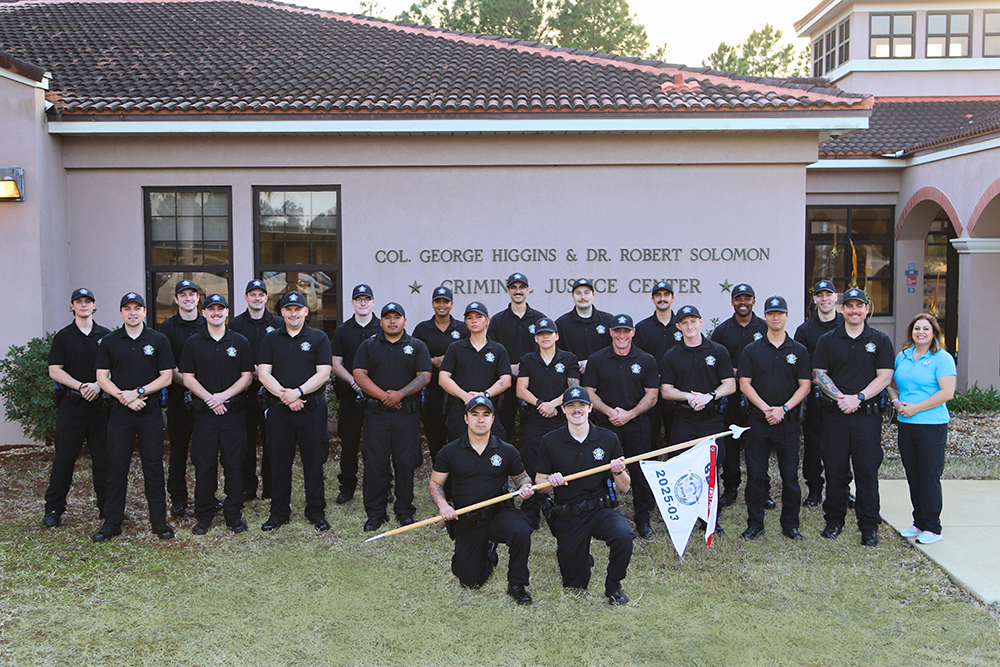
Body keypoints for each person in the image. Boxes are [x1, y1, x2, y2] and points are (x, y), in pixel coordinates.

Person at [430, 397, 535, 605]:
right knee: (470, 581)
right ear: (466, 418)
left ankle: (517, 584)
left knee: (521, 530)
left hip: (499, 514)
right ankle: (487, 551)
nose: (480, 420)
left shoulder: (506, 450)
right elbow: (435, 484)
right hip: (469, 519)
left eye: (486, 415)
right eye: (475, 414)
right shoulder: (450, 451)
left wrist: (524, 486)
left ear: (493, 419)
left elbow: (522, 477)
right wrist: (443, 505)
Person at [812, 287, 894, 547]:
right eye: (850, 306)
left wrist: (858, 397)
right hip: (835, 416)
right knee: (835, 470)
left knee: (867, 471)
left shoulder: (879, 340)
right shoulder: (828, 339)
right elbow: (819, 374)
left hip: (866, 417)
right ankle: (834, 521)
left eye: (859, 306)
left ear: (867, 309)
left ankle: (869, 526)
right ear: (842, 309)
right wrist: (841, 398)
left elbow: (885, 376)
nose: (854, 310)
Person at [536, 387, 633, 605]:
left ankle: (614, 585)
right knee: (574, 586)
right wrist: (550, 482)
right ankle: (581, 559)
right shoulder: (550, 441)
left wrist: (618, 471)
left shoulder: (608, 438)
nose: (576, 410)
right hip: (570, 515)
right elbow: (539, 486)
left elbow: (625, 487)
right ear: (563, 410)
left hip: (601, 510)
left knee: (624, 536)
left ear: (590, 408)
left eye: (581, 405)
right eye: (571, 406)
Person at [93, 292, 175, 542]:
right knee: (116, 468)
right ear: (121, 313)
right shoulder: (109, 341)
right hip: (119, 412)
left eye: (137, 308)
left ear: (144, 312)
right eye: (127, 308)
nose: (132, 312)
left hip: (149, 412)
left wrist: (138, 392)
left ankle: (159, 523)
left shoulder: (158, 339)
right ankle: (112, 522)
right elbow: (101, 377)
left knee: (153, 468)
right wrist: (123, 397)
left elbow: (166, 377)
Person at [736, 296, 811, 541]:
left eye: (780, 313)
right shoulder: (752, 349)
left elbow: (805, 386)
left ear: (787, 316)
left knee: (790, 477)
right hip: (758, 422)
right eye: (771, 313)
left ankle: (790, 525)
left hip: (787, 424)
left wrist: (783, 409)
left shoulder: (798, 350)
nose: (776, 317)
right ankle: (755, 524)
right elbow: (744, 384)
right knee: (755, 476)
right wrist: (767, 408)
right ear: (765, 317)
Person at [257, 290, 334, 532]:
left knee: (313, 463)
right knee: (279, 463)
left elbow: (323, 373)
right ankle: (279, 514)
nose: (293, 313)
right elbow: (263, 373)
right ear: (282, 313)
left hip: (311, 411)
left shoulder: (319, 338)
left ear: (305, 312)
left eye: (297, 309)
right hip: (280, 411)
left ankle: (316, 513)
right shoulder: (271, 338)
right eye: (288, 309)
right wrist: (285, 395)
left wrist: (298, 392)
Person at [353, 302, 432, 532]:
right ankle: (375, 514)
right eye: (388, 317)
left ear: (405, 321)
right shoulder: (368, 345)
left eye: (397, 317)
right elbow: (359, 374)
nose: (392, 321)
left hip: (406, 416)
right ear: (381, 321)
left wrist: (400, 394)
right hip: (376, 416)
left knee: (405, 464)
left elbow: (425, 375)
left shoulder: (416, 345)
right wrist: (383, 396)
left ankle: (404, 510)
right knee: (375, 465)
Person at [179, 294, 254, 534]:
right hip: (204, 416)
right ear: (204, 313)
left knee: (234, 464)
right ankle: (204, 515)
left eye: (220, 309)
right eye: (211, 309)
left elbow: (247, 376)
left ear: (227, 312)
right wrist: (210, 399)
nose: (216, 313)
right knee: (204, 466)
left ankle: (233, 514)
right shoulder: (193, 342)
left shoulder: (240, 341)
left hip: (233, 414)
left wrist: (222, 397)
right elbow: (187, 377)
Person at [659, 305, 736, 531]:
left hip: (711, 419)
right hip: (683, 419)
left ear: (701, 322)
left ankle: (710, 518)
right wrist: (687, 397)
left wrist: (709, 396)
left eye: (693, 321)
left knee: (710, 468)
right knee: (681, 466)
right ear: (678, 326)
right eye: (685, 322)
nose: (690, 326)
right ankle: (683, 517)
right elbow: (665, 390)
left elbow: (730, 384)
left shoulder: (718, 351)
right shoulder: (672, 355)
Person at [581, 314, 659, 538]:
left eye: (626, 331)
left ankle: (642, 521)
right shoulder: (597, 359)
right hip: (605, 427)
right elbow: (589, 392)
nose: (622, 335)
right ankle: (600, 518)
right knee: (600, 472)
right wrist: (609, 412)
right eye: (618, 331)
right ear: (611, 333)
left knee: (640, 473)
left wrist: (630, 414)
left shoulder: (646, 360)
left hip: (637, 425)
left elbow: (652, 395)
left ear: (633, 333)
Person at [43, 288, 111, 527]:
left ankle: (107, 508)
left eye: (88, 301)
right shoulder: (63, 336)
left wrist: (97, 385)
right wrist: (82, 386)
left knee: (103, 460)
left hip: (100, 406)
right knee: (64, 458)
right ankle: (53, 509)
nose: (83, 305)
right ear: (72, 306)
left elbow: (113, 367)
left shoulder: (106, 335)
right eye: (79, 302)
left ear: (94, 306)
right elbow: (55, 370)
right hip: (72, 405)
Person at [888, 313, 956, 545]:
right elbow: (892, 386)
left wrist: (916, 407)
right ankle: (918, 522)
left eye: (926, 329)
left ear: (934, 332)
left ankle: (933, 527)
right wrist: (897, 402)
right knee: (913, 475)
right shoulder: (903, 356)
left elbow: (947, 393)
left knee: (929, 476)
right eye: (917, 328)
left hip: (932, 425)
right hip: (907, 425)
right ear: (911, 332)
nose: (921, 332)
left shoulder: (942, 358)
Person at [514, 317, 580, 529]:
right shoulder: (527, 360)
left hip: (562, 419)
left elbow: (574, 389)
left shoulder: (569, 358)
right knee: (532, 463)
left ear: (556, 336)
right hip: (535, 418)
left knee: (566, 463)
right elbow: (521, 389)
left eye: (548, 333)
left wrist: (553, 404)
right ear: (536, 338)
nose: (545, 337)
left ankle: (564, 507)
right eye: (541, 334)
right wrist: (541, 404)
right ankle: (531, 512)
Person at [711, 283, 768, 508]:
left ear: (754, 300)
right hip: (732, 397)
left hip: (758, 396)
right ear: (732, 302)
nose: (742, 302)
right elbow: (715, 364)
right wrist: (740, 374)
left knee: (760, 442)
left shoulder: (764, 328)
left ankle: (762, 490)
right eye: (738, 299)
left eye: (747, 298)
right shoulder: (723, 331)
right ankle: (730, 488)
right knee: (731, 445)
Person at [229, 278, 283, 502]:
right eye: (253, 294)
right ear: (246, 298)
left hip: (272, 393)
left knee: (272, 442)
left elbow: (283, 355)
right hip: (245, 393)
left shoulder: (279, 323)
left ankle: (271, 487)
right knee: (246, 443)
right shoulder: (234, 324)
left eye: (261, 294)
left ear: (266, 298)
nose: (257, 298)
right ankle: (248, 488)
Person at [794, 280, 845, 507]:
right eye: (820, 295)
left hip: (845, 397)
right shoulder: (805, 331)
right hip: (816, 398)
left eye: (829, 295)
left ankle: (843, 489)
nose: (824, 299)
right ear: (814, 299)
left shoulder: (847, 324)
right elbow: (800, 366)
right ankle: (814, 489)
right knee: (814, 446)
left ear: (836, 298)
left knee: (843, 445)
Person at [158, 279, 206, 518]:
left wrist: (202, 392)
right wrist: (189, 384)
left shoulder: (208, 324)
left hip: (205, 401)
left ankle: (206, 495)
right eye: (183, 295)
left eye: (192, 294)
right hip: (178, 398)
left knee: (205, 451)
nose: (188, 298)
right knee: (178, 450)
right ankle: (178, 497)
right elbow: (167, 367)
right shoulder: (167, 329)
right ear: (176, 299)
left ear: (198, 299)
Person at [329, 284, 380, 504]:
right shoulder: (342, 331)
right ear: (352, 303)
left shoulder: (382, 327)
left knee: (377, 445)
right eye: (358, 299)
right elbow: (335, 363)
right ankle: (347, 487)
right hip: (351, 395)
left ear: (373, 302)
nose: (362, 303)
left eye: (366, 299)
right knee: (349, 443)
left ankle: (381, 487)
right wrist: (353, 382)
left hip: (377, 397)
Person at [438, 301, 511, 441]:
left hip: (488, 409)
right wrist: (465, 396)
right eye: (469, 317)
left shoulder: (498, 349)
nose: (474, 321)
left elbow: (506, 380)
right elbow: (443, 378)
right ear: (465, 321)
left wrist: (484, 395)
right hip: (460, 410)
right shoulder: (455, 348)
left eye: (478, 317)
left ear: (487, 320)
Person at [412, 286, 468, 465]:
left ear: (452, 304)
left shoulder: (462, 328)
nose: (442, 305)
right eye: (438, 301)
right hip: (432, 393)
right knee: (435, 439)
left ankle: (457, 480)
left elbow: (469, 355)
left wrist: (446, 359)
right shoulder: (422, 329)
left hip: (457, 393)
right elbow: (413, 357)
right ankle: (440, 479)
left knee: (458, 438)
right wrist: (435, 361)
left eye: (446, 301)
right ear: (433, 304)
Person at [487, 272, 545, 443]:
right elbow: (491, 352)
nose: (518, 291)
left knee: (534, 427)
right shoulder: (498, 321)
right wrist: (507, 367)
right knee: (505, 426)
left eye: (521, 287)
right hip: (506, 383)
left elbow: (546, 349)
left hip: (533, 383)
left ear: (528, 290)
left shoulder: (539, 319)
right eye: (514, 287)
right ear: (508, 290)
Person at [633, 280, 680, 454]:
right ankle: (649, 480)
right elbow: (635, 360)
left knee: (676, 441)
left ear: (673, 298)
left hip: (677, 394)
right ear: (652, 299)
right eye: (658, 295)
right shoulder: (642, 328)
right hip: (650, 395)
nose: (662, 299)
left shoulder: (683, 327)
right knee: (649, 440)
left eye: (666, 295)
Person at [555, 278, 615, 373]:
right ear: (572, 296)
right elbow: (556, 354)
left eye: (587, 293)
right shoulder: (562, 324)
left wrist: (592, 363)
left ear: (594, 295)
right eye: (578, 293)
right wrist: (574, 364)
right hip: (573, 378)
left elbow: (615, 351)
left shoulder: (608, 321)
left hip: (604, 378)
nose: (583, 297)